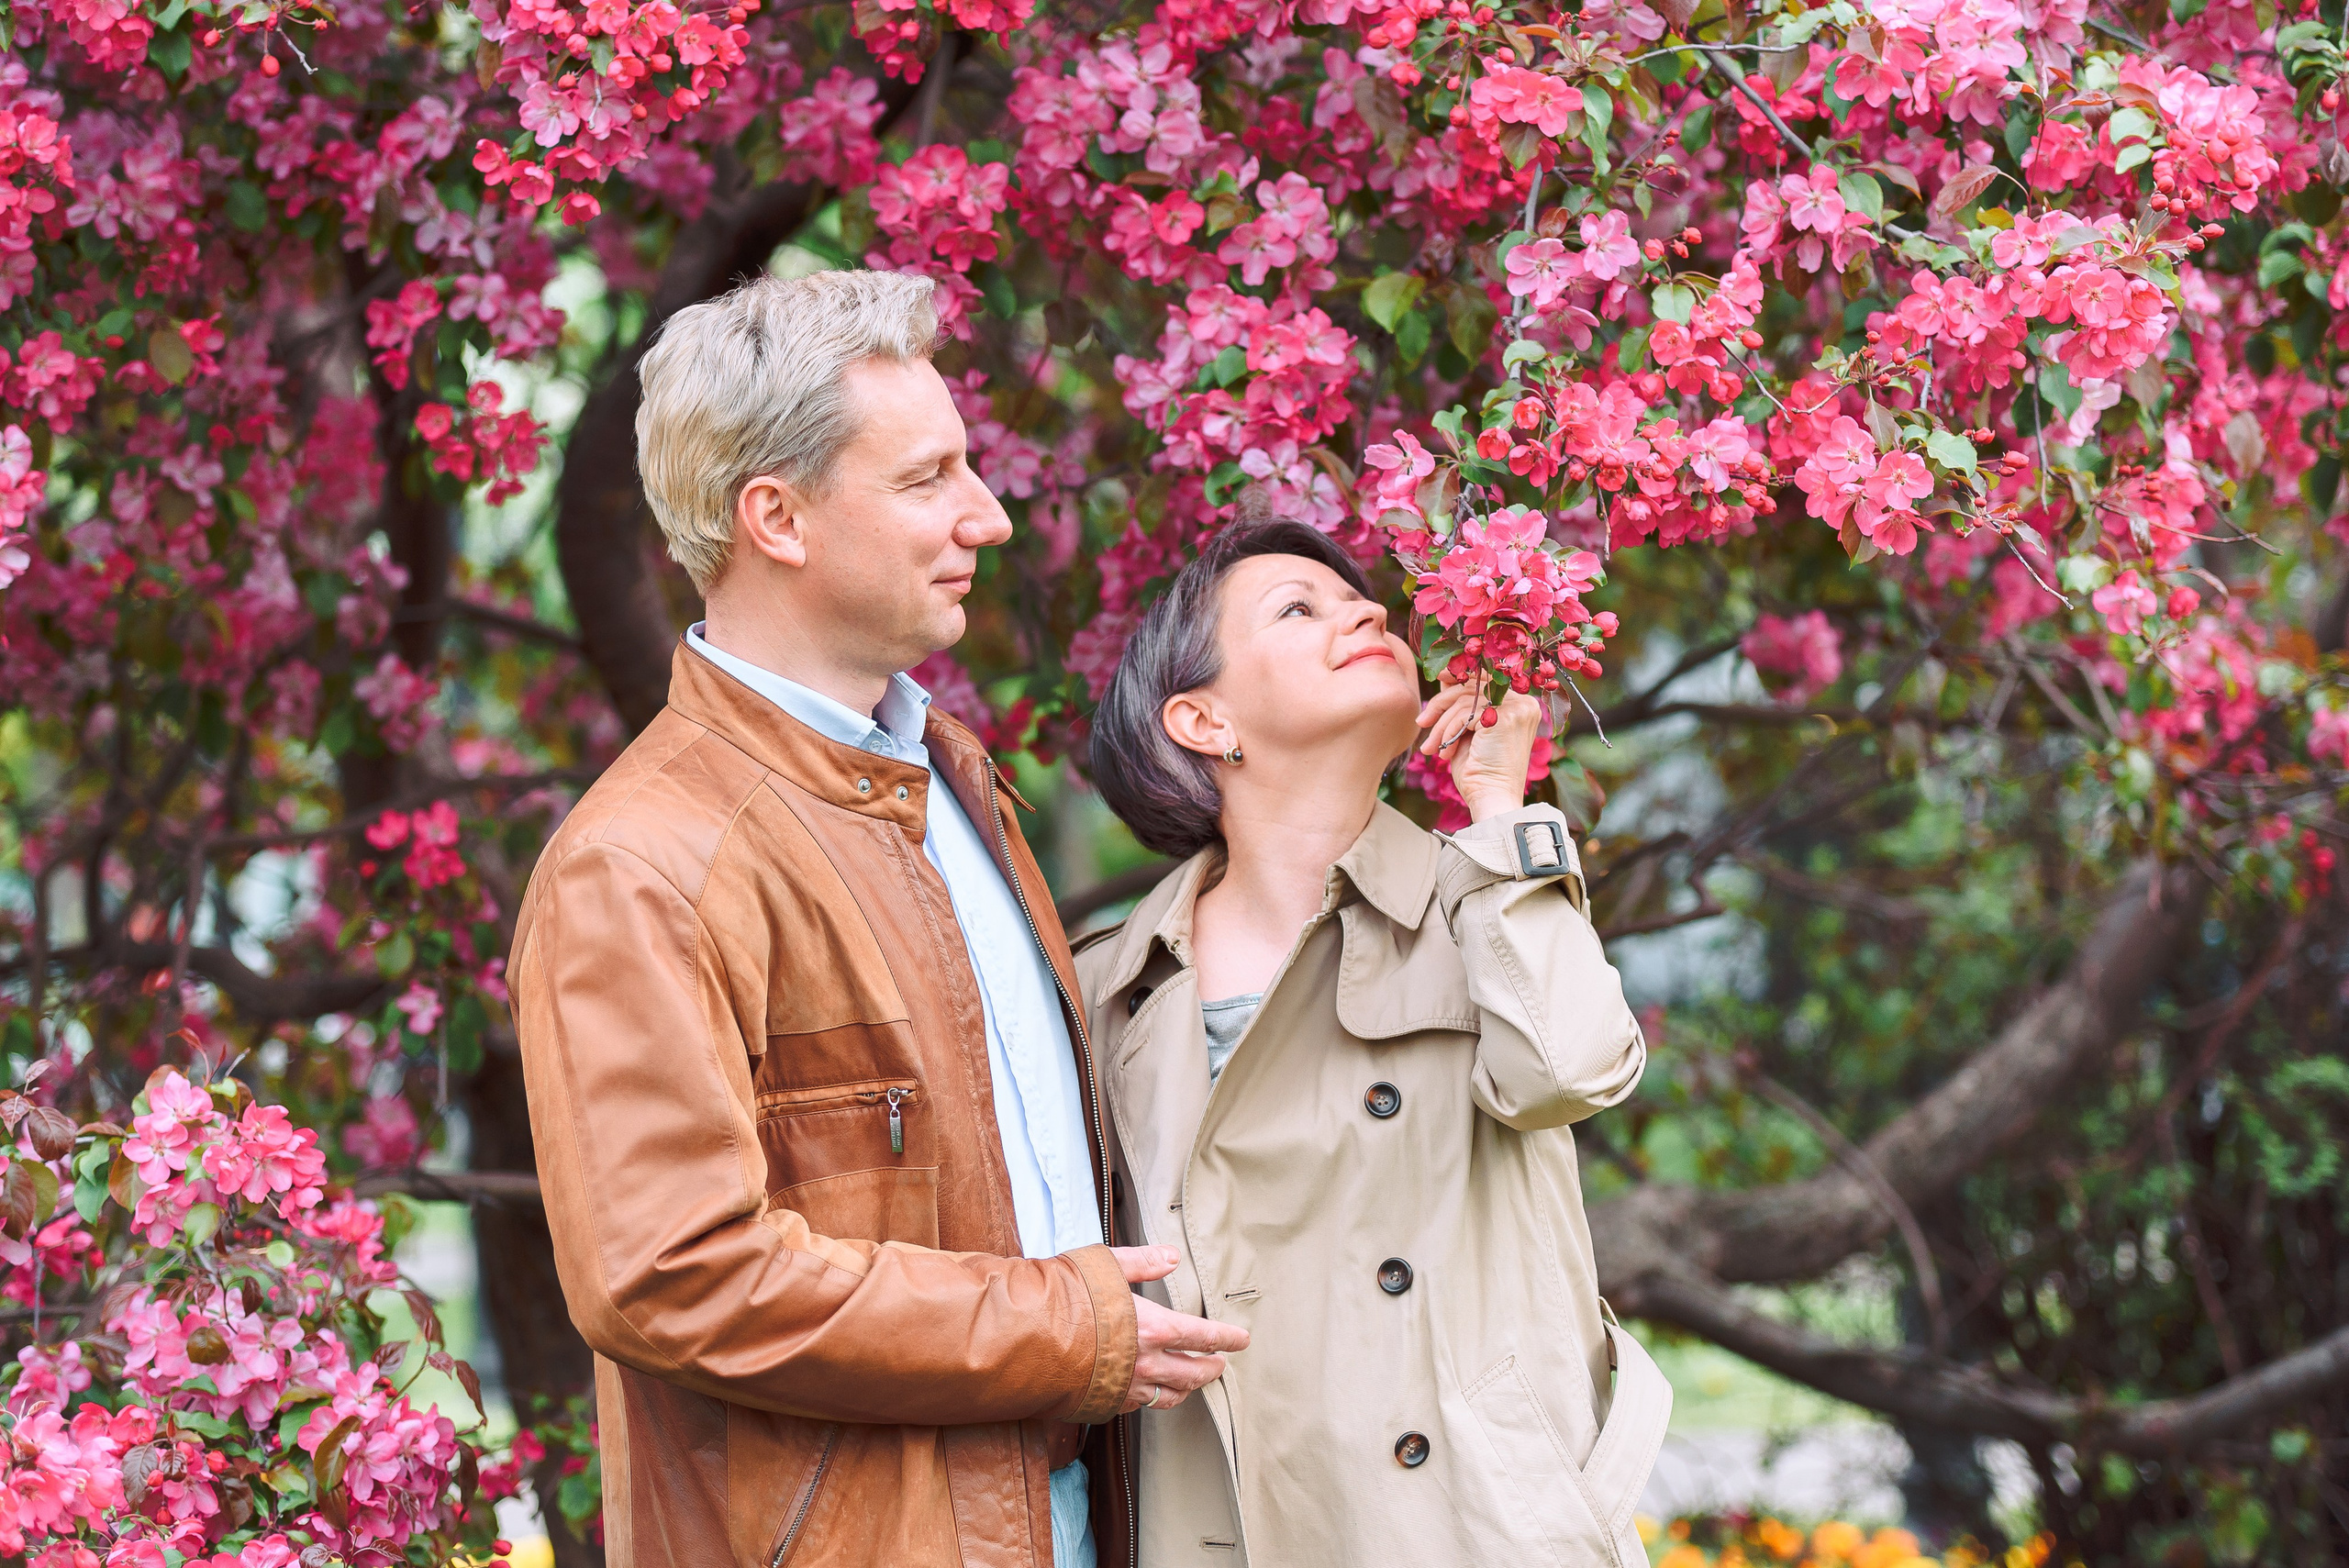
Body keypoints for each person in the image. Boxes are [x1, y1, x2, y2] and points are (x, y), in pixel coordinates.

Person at [509, 269, 1246, 1568]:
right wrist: (1069, 1329)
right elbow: (675, 1277)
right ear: (777, 518)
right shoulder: (639, 865)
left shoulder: (953, 777)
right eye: (927, 481)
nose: (992, 516)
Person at [1076, 517, 1667, 1567]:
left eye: (1361, 602)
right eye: (1298, 607)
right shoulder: (1109, 988)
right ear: (1203, 718)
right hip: (1224, 1522)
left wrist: (1499, 804)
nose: (1367, 612)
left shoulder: (1480, 892)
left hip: (1472, 1527)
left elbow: (1574, 1067)